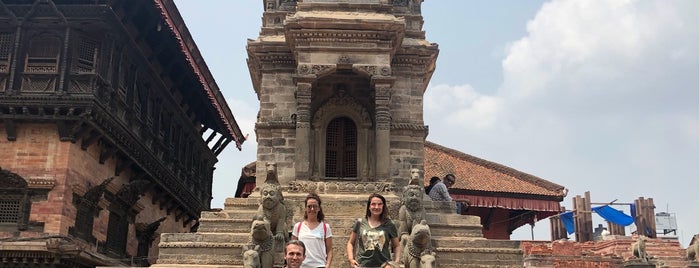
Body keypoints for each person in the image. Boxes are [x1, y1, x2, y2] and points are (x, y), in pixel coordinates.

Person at [346, 193, 401, 268]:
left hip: (384, 265)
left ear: (383, 206)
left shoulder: (389, 224)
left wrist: (396, 263)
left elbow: (396, 246)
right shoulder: (360, 223)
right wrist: (351, 259)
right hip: (362, 265)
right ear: (369, 206)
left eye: (379, 204)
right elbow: (350, 243)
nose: (376, 207)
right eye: (373, 204)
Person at [291, 193, 333, 268]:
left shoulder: (325, 227)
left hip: (319, 265)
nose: (312, 209)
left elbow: (329, 250)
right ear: (305, 208)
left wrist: (328, 265)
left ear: (319, 208)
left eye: (315, 206)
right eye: (309, 206)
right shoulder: (298, 227)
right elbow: (293, 248)